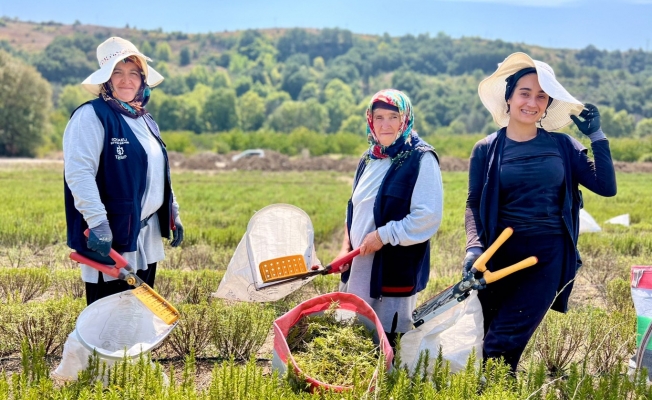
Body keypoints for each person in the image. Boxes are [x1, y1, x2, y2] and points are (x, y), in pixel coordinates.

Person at [464, 52, 617, 372]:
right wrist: (473, 248)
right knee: (487, 339)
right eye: (524, 93)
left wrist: (596, 136)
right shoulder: (486, 149)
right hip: (497, 259)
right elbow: (473, 203)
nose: (532, 102)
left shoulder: (563, 147)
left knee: (500, 344)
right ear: (508, 98)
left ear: (547, 104)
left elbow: (606, 186)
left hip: (545, 259)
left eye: (541, 96)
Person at [63, 37, 184, 306]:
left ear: (142, 80)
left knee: (136, 317)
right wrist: (98, 223)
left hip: (145, 236)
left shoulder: (144, 119)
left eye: (133, 73)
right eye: (117, 72)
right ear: (106, 80)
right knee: (107, 320)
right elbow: (79, 173)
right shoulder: (91, 116)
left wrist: (172, 211)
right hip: (113, 238)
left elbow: (157, 170)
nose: (126, 80)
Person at [335, 89, 444, 351]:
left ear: (405, 119)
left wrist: (383, 236)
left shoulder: (420, 158)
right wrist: (345, 246)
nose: (385, 124)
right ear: (370, 120)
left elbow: (427, 217)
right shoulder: (369, 157)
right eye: (379, 117)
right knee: (353, 337)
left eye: (393, 117)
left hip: (392, 267)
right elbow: (354, 208)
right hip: (358, 265)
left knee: (387, 342)